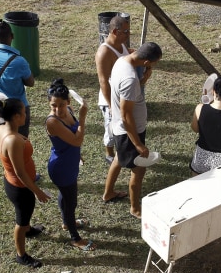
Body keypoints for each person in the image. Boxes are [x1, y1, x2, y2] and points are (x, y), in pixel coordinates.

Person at [102, 42, 162, 219]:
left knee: (119, 158)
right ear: (146, 62)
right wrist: (138, 144)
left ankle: (108, 193)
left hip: (121, 129)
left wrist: (143, 80)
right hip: (129, 132)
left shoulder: (122, 61)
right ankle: (135, 208)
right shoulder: (130, 79)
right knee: (139, 169)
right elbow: (126, 114)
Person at [0, 98, 50, 267]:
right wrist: (37, 191)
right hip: (20, 188)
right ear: (17, 116)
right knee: (20, 220)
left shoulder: (1, 129)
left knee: (25, 216)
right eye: (24, 113)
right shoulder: (13, 141)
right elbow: (20, 173)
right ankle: (21, 255)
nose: (26, 115)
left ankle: (28, 229)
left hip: (13, 183)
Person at [45, 79, 95, 251]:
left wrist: (77, 155)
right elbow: (77, 139)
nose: (58, 110)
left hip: (70, 163)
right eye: (53, 106)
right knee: (70, 202)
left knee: (66, 197)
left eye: (61, 105)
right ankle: (75, 238)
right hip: (61, 168)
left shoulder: (70, 111)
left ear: (69, 102)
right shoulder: (52, 122)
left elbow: (72, 141)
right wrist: (82, 118)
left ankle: (67, 223)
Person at [0, 20, 35, 137]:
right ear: (12, 36)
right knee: (21, 142)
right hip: (19, 108)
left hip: (0, 106)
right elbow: (30, 82)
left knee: (5, 138)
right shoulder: (19, 61)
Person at [95, 15, 131, 165]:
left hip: (122, 95)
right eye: (126, 31)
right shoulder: (104, 52)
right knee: (111, 128)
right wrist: (111, 105)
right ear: (116, 31)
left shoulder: (121, 44)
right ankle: (109, 154)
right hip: (110, 98)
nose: (128, 34)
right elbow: (103, 81)